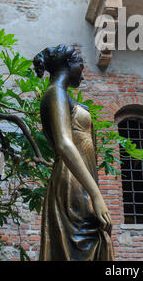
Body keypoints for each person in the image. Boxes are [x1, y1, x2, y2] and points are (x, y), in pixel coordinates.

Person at [33, 45, 114, 261]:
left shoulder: (62, 95)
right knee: (80, 248)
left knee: (91, 242)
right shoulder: (55, 94)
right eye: (81, 65)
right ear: (69, 64)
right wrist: (96, 195)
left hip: (80, 182)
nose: (83, 73)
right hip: (70, 183)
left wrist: (93, 192)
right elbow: (64, 144)